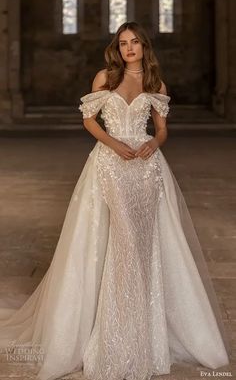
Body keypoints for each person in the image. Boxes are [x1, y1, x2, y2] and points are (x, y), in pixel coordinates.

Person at [0, 21, 231, 380]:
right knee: (122, 242)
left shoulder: (156, 85)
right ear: (117, 48)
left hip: (146, 170)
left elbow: (162, 128)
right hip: (110, 166)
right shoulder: (104, 78)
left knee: (142, 246)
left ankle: (145, 334)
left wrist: (155, 142)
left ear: (144, 46)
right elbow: (89, 122)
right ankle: (116, 338)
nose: (128, 48)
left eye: (135, 42)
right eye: (123, 43)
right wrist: (114, 144)